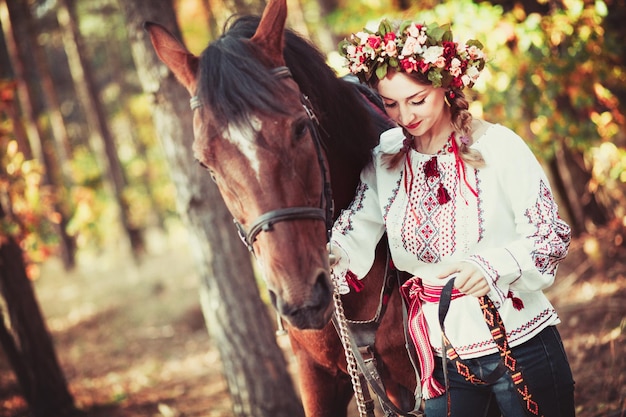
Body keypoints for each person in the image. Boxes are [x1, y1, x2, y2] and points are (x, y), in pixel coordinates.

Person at [329, 18, 576, 417]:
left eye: (417, 99)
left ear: (446, 87)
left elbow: (550, 236)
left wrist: (493, 264)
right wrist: (330, 255)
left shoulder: (499, 147)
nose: (404, 115)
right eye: (389, 103)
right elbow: (358, 225)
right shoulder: (387, 157)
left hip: (520, 343)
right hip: (442, 358)